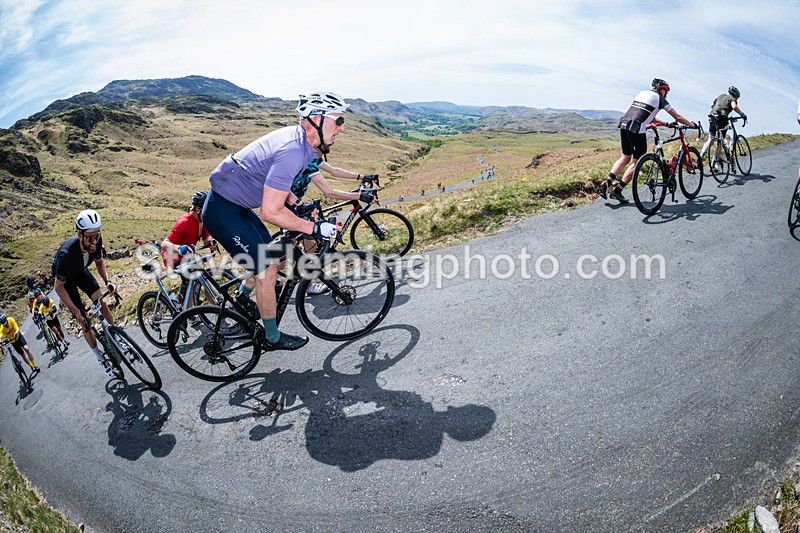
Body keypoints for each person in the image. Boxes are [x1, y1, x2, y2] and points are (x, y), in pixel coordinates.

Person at [202, 91, 345, 351]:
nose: (341, 127)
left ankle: (244, 299)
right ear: (316, 119)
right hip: (223, 210)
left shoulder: (304, 146)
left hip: (239, 207)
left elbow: (276, 182)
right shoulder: (293, 150)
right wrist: (314, 227)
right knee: (266, 270)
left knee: (276, 256)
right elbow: (270, 212)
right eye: (338, 120)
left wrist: (297, 205)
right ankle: (272, 337)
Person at [599, 79, 697, 204]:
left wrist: (666, 124)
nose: (666, 95)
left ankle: (607, 181)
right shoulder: (661, 100)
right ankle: (618, 190)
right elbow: (677, 117)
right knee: (636, 163)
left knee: (625, 158)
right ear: (661, 89)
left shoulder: (642, 94)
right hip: (636, 129)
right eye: (666, 91)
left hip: (624, 124)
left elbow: (650, 116)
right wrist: (691, 125)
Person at [52, 209, 118, 376]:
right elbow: (58, 288)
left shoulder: (95, 241)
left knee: (101, 302)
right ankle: (100, 358)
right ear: (80, 235)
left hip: (81, 272)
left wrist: (107, 282)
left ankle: (117, 338)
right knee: (85, 321)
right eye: (89, 237)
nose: (94, 241)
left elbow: (99, 262)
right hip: (67, 282)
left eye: (96, 236)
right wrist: (76, 312)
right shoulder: (66, 255)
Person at [159, 190, 217, 303]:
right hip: (172, 257)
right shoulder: (183, 222)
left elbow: (206, 239)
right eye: (205, 211)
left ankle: (218, 308)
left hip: (186, 256)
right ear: (197, 210)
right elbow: (164, 245)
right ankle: (189, 313)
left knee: (205, 280)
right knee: (190, 279)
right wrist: (179, 248)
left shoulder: (201, 221)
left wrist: (211, 243)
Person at [700, 86, 747, 159]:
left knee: (710, 139)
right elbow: (734, 107)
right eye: (737, 98)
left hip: (712, 116)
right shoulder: (732, 98)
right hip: (722, 118)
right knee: (720, 142)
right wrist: (742, 114)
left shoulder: (721, 96)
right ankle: (714, 162)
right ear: (735, 95)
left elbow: (712, 105)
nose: (737, 99)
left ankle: (701, 156)